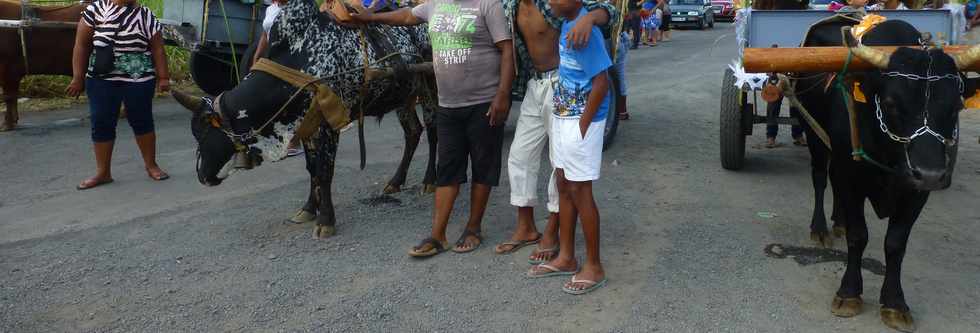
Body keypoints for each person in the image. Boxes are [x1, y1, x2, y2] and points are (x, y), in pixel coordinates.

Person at [352, 0, 515, 256]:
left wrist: (503, 95)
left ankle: (473, 228)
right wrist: (370, 18)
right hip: (448, 105)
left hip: (483, 102)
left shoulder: (488, 4)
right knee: (447, 168)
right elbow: (406, 16)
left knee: (483, 166)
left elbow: (507, 50)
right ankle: (437, 235)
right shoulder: (434, 5)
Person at [493, 0, 616, 263]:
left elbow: (608, 11)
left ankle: (553, 229)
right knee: (520, 155)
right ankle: (526, 227)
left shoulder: (554, 4)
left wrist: (590, 19)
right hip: (534, 84)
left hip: (562, 83)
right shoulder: (508, 6)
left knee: (561, 166)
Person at [529, 0, 612, 295]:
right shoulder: (567, 23)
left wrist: (583, 126)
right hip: (564, 115)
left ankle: (594, 266)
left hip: (581, 120)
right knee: (564, 184)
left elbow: (601, 82)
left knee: (580, 190)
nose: (551, 2)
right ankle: (566, 257)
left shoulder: (585, 31)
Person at [68, 0, 170, 190]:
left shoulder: (146, 14)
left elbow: (157, 48)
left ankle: (151, 165)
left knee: (142, 120)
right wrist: (77, 77)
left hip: (139, 78)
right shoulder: (95, 10)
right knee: (101, 122)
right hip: (101, 79)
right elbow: (81, 45)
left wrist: (163, 77)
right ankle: (103, 172)